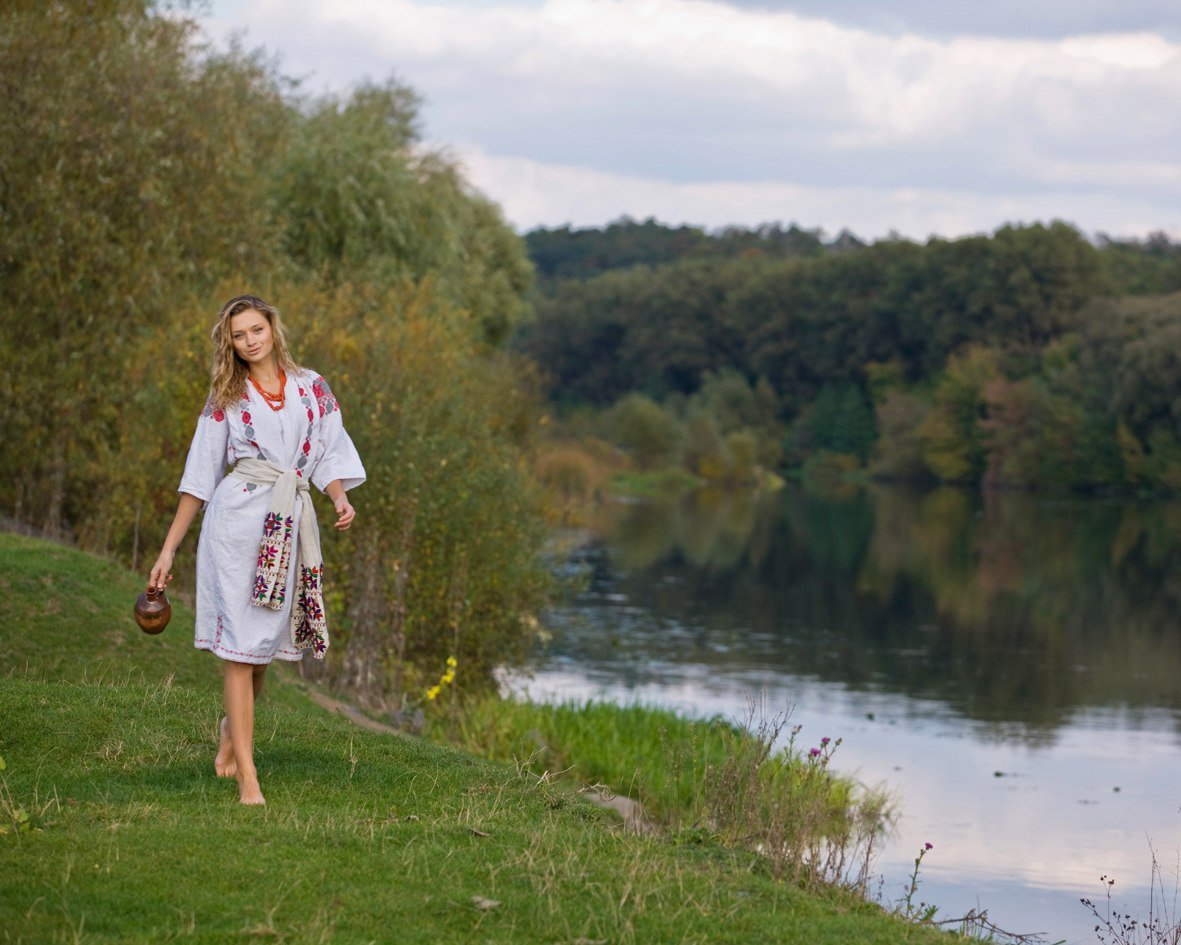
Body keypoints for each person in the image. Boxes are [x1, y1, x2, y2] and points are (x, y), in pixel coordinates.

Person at [149, 295, 365, 805]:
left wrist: (338, 497)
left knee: (263, 650)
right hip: (236, 525)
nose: (250, 340)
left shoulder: (314, 387)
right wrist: (167, 550)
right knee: (239, 652)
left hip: (287, 524)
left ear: (272, 328)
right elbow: (199, 478)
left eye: (256, 329)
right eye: (239, 335)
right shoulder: (227, 395)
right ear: (232, 344)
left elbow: (329, 453)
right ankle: (248, 776)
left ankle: (232, 731)